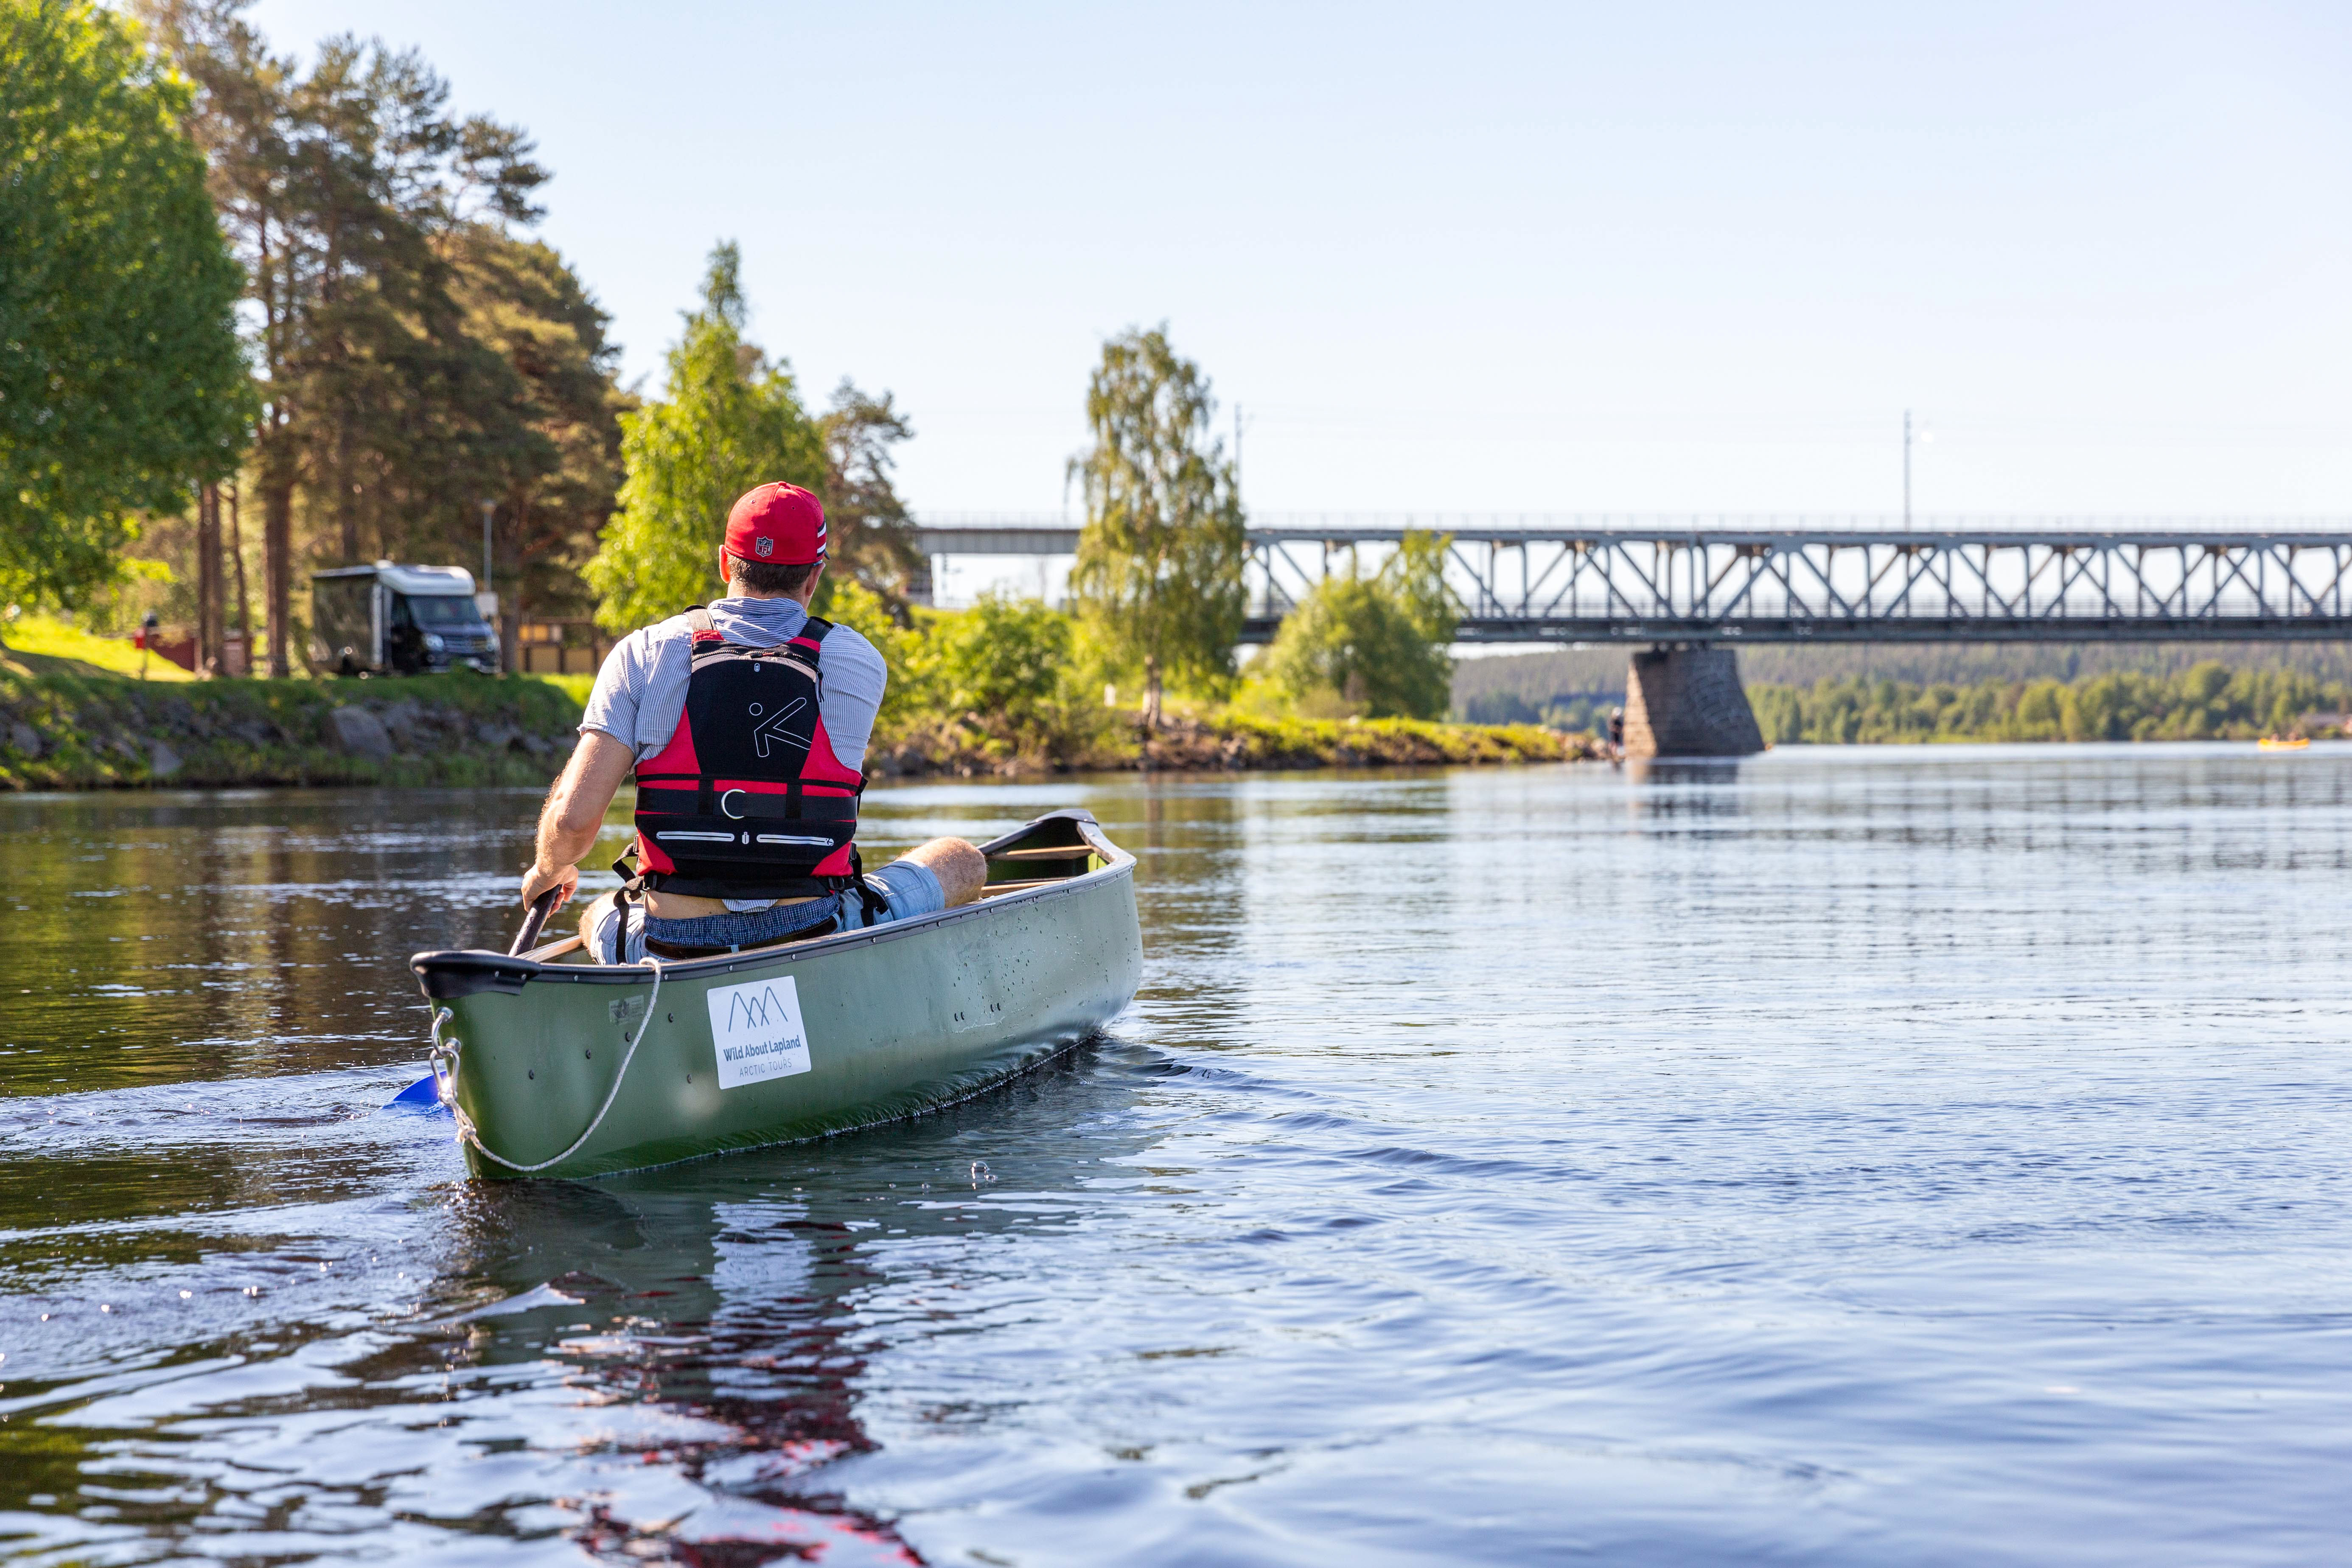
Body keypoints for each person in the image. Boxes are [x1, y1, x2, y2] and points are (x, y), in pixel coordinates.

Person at [518, 481, 986, 961]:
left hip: (671, 943)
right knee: (960, 857)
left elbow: (573, 821)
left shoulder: (642, 653)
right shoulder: (856, 661)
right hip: (816, 933)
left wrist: (547, 870)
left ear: (725, 562)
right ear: (814, 576)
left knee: (599, 909)